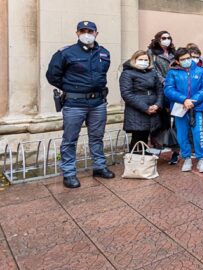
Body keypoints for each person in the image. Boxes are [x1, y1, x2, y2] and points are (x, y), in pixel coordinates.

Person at [46, 21, 113, 188]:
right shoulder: (65, 53)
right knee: (70, 139)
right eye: (83, 31)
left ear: (96, 33)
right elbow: (52, 75)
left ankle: (99, 166)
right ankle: (68, 173)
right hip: (75, 103)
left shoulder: (104, 53)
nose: (87, 34)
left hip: (98, 102)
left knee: (97, 137)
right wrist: (71, 88)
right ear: (77, 33)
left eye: (90, 31)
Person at [164, 47, 203, 173]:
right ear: (178, 61)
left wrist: (193, 100)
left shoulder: (201, 71)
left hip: (197, 108)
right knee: (182, 134)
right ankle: (187, 158)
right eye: (183, 59)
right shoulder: (172, 72)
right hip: (180, 108)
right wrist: (184, 99)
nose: (187, 61)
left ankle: (201, 159)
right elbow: (168, 90)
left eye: (188, 58)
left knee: (198, 134)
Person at [119, 50, 163, 152]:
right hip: (137, 110)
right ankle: (135, 161)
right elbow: (126, 94)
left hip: (153, 108)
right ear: (134, 60)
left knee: (145, 135)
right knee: (137, 137)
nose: (143, 62)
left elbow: (160, 91)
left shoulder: (153, 73)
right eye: (140, 59)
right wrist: (145, 108)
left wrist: (157, 105)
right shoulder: (127, 73)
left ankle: (144, 160)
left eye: (146, 60)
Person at [147, 30, 178, 163]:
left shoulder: (173, 53)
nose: (167, 40)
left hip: (174, 89)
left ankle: (175, 150)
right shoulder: (151, 53)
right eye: (164, 38)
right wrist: (164, 81)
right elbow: (152, 69)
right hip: (160, 88)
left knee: (176, 119)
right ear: (158, 39)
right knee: (160, 120)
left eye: (169, 37)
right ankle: (158, 145)